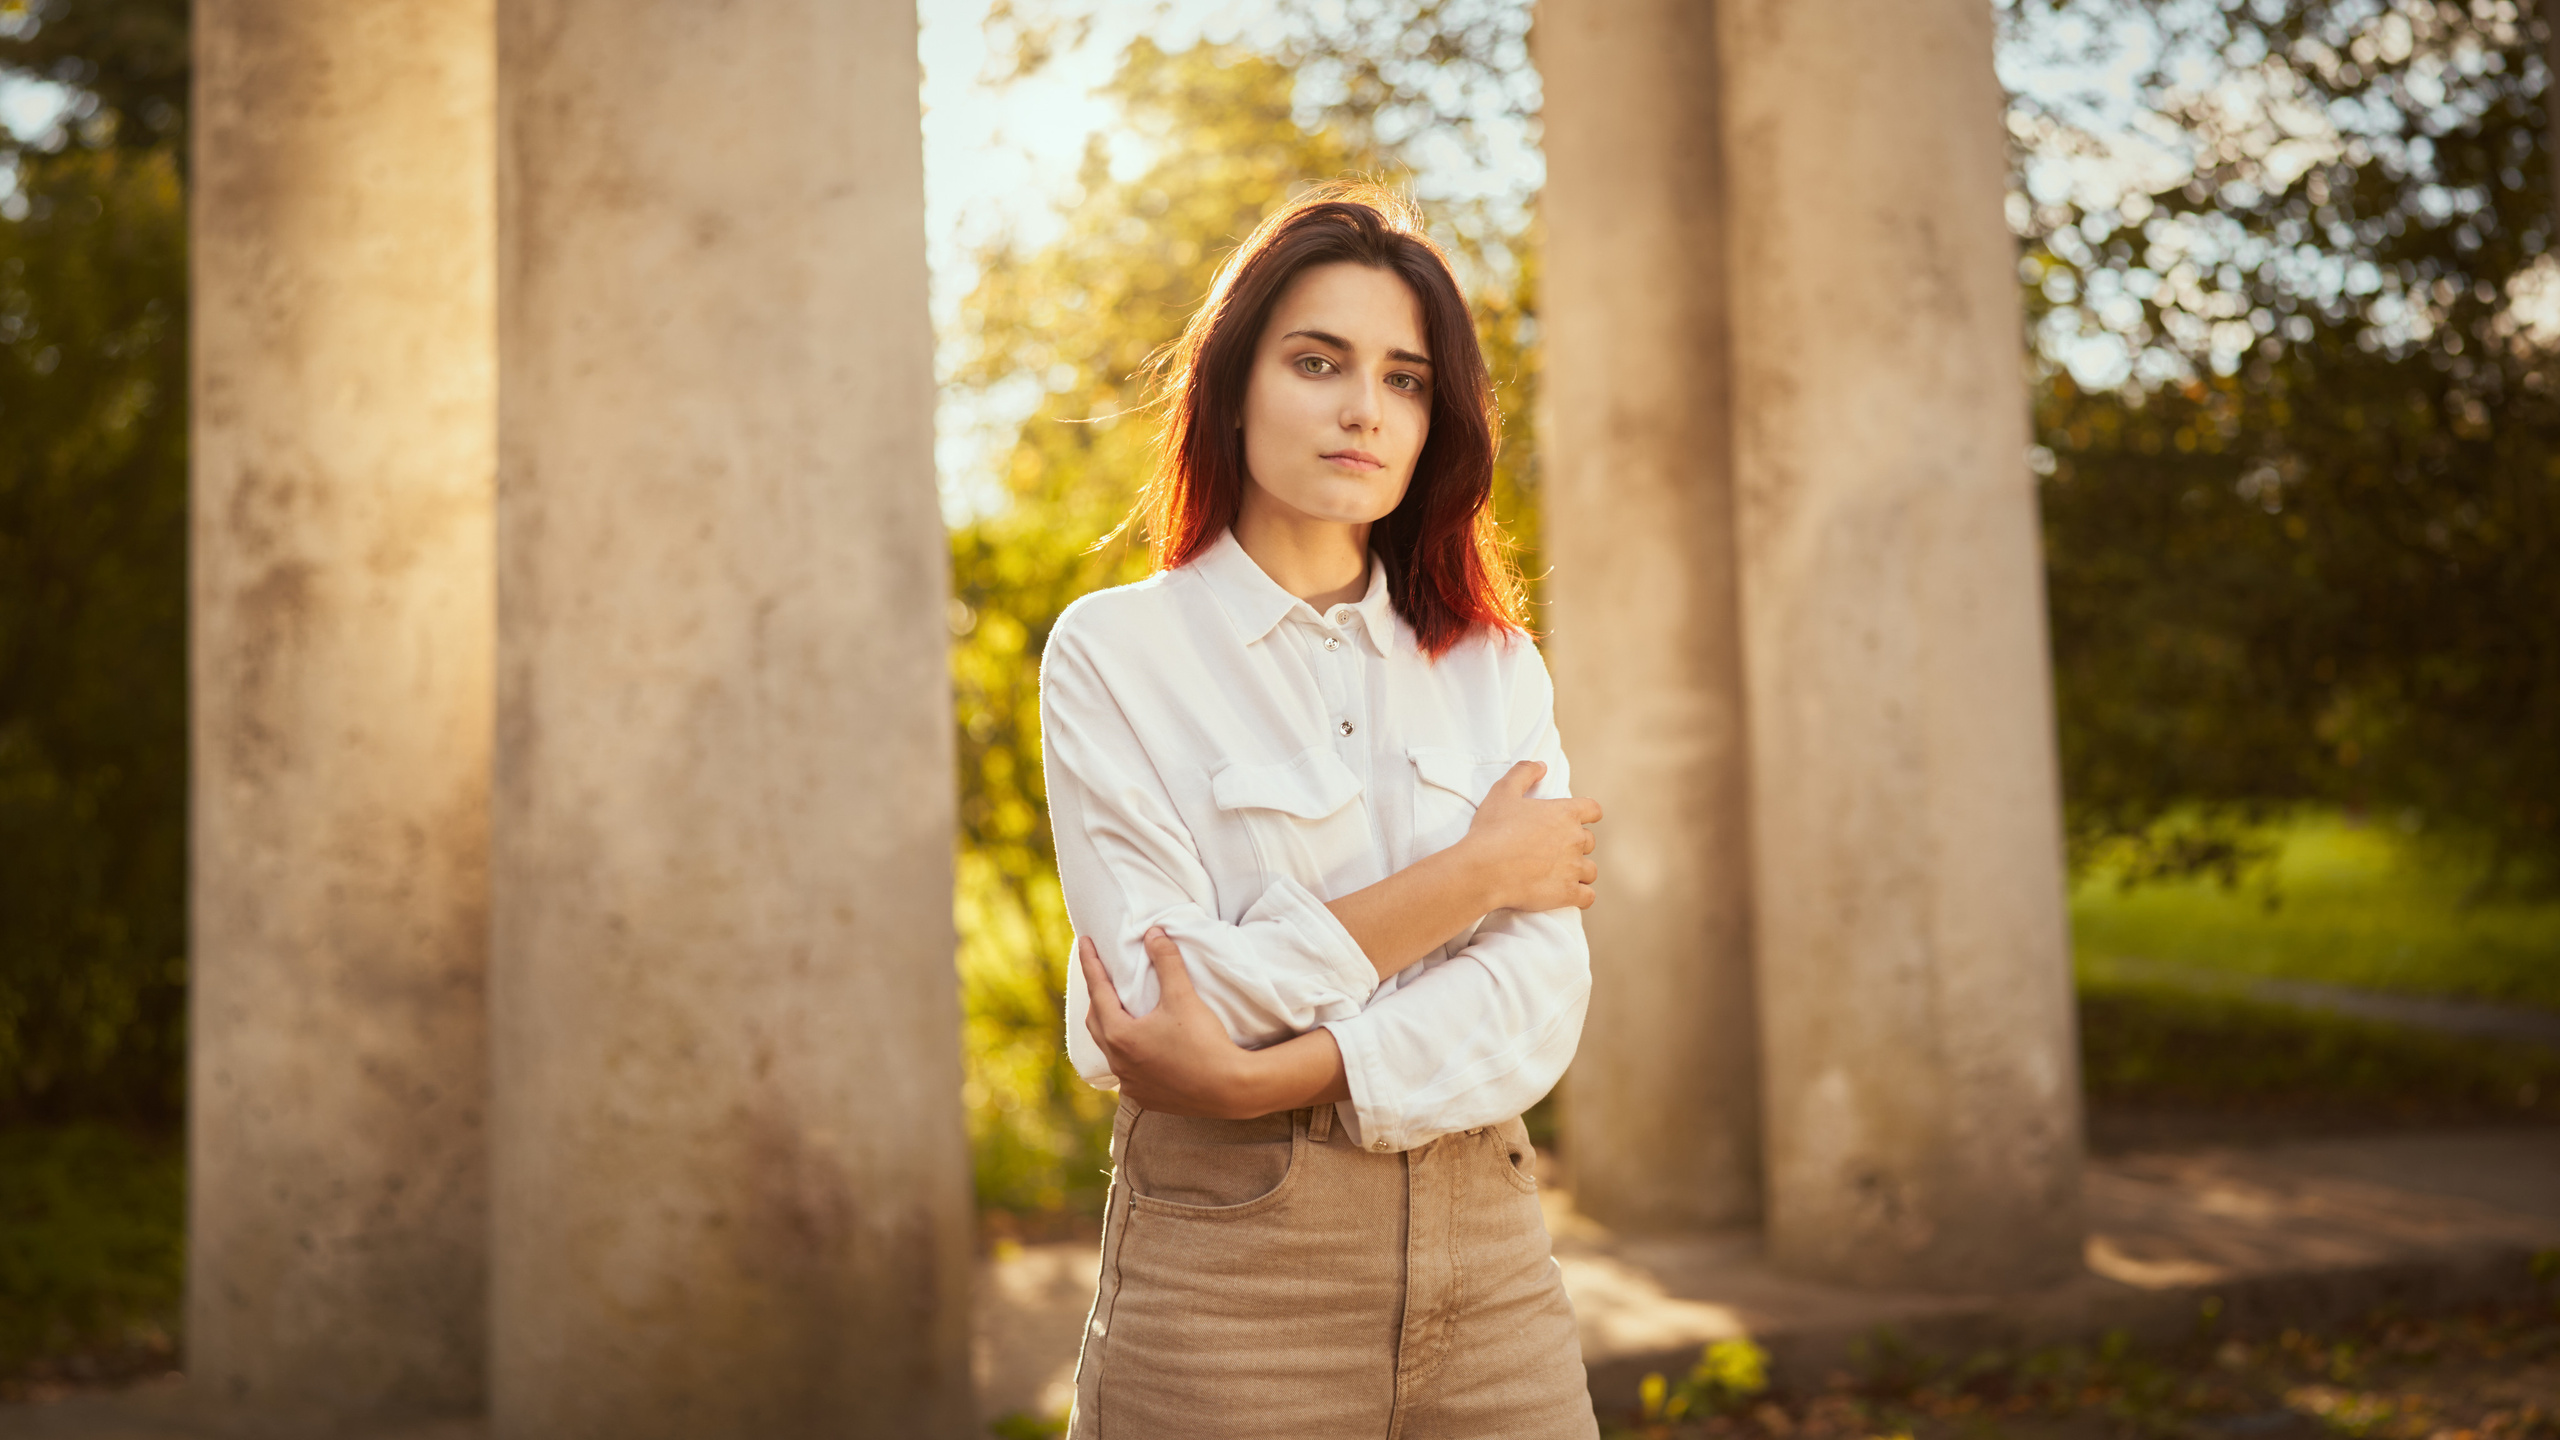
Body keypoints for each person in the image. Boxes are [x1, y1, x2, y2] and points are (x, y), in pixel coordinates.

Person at [1041, 183, 1605, 1439]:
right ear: (1232, 385)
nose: (1364, 408)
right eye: (1317, 361)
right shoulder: (1117, 652)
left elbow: (1535, 997)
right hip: (1230, 1279)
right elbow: (1158, 995)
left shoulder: (1492, 665)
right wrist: (1473, 877)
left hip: (1496, 1266)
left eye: (1405, 379)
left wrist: (1279, 1073)